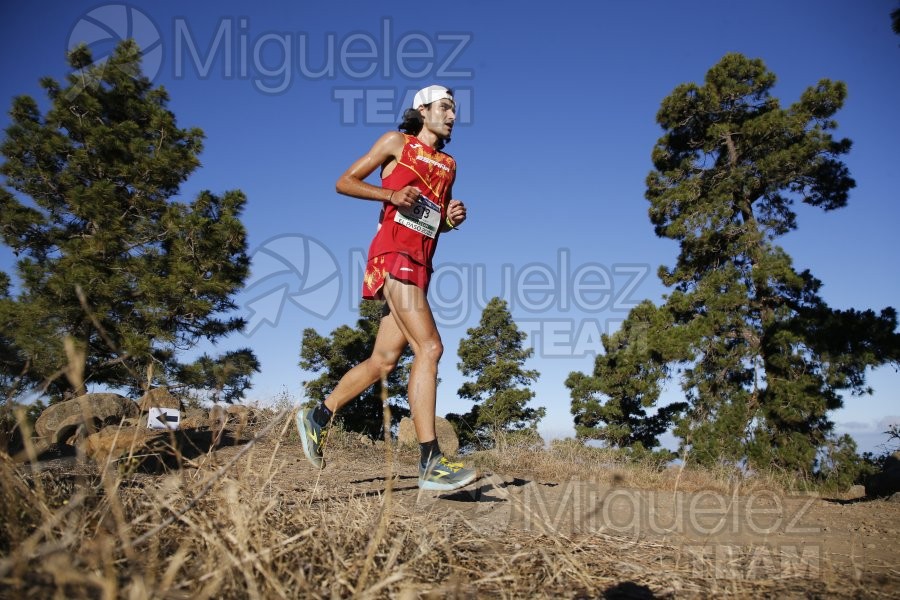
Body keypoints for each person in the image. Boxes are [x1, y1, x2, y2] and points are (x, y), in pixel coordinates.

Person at [296, 85, 477, 491]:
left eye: (454, 109)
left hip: (421, 264)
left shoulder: (449, 165)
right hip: (392, 256)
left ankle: (318, 417)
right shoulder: (396, 143)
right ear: (422, 110)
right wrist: (391, 194)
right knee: (429, 348)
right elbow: (344, 182)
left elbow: (431, 222)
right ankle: (431, 461)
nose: (452, 115)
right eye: (444, 107)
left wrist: (450, 219)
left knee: (382, 362)